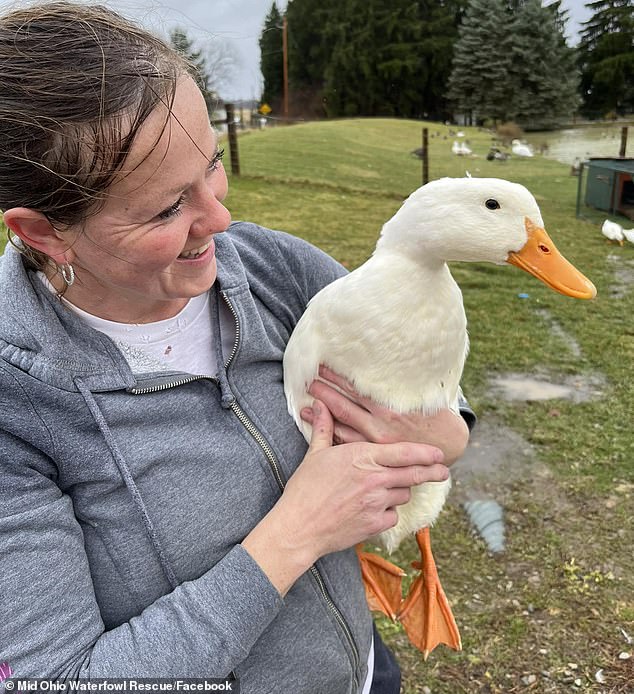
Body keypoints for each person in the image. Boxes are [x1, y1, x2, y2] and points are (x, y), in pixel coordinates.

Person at [0, 3, 474, 692]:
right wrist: (298, 532)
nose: (220, 219)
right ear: (45, 234)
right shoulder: (16, 409)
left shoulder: (274, 267)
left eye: (213, 165)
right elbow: (55, 681)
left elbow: (441, 397)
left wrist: (443, 434)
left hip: (365, 673)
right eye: (167, 209)